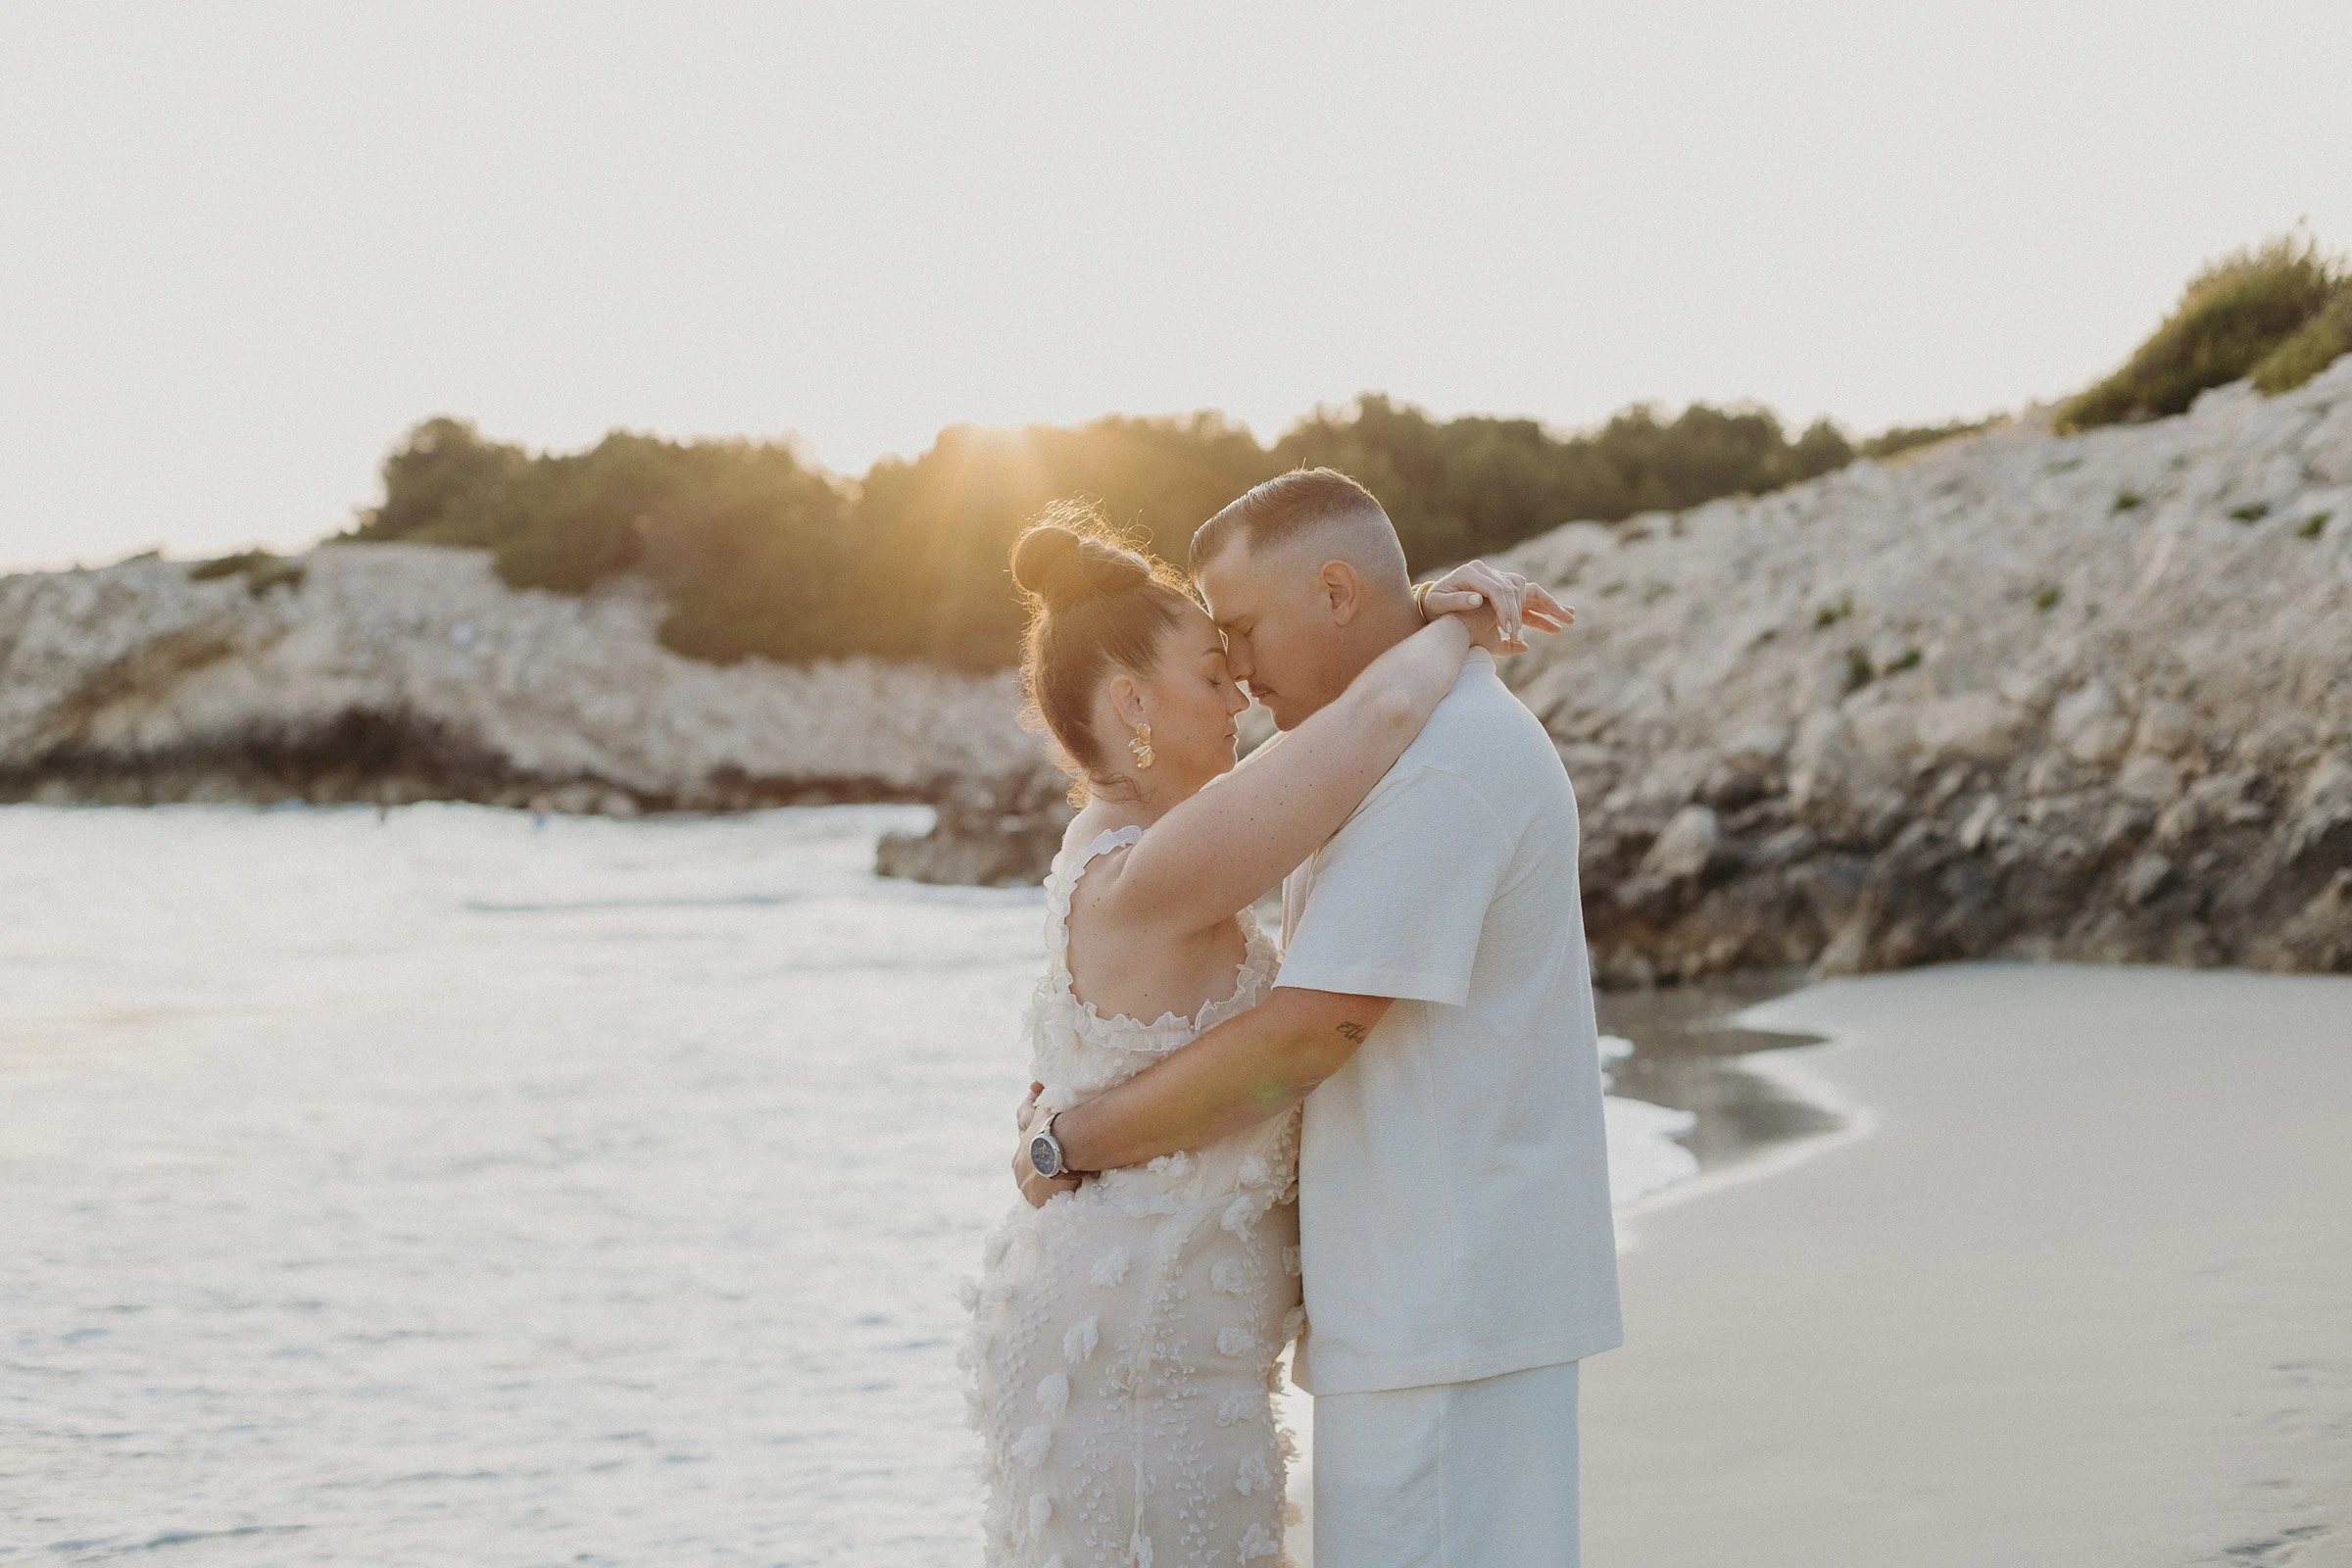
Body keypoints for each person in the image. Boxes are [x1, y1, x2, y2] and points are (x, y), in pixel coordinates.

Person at [1003, 469, 1622, 1566]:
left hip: (1442, 1299)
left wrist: (1072, 1137)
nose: (1238, 673)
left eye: (1238, 631)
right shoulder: (1366, 757)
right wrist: (1447, 620)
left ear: (1336, 592)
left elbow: (1308, 1032)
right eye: (1213, 655)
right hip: (1354, 1306)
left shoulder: (1444, 758)